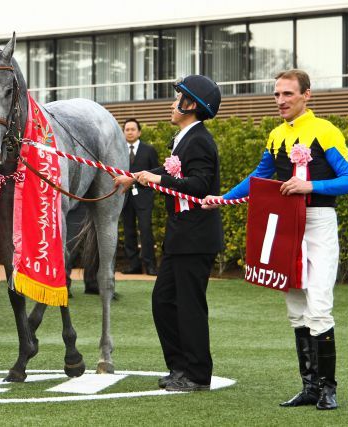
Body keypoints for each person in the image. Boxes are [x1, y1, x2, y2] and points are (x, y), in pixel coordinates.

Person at [206, 69, 348, 410]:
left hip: (319, 223)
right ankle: (308, 388)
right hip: (287, 227)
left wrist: (311, 185)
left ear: (307, 95)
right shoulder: (276, 135)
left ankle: (328, 389)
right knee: (296, 310)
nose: (281, 101)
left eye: (288, 94)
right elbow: (259, 178)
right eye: (277, 94)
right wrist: (224, 198)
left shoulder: (325, 131)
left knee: (319, 307)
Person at [117, 75, 223, 392]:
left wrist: (155, 179)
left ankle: (197, 374)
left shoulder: (200, 140)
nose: (172, 104)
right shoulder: (183, 138)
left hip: (196, 238)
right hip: (180, 237)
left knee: (189, 307)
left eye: (177, 98)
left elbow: (199, 185)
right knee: (163, 302)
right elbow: (170, 173)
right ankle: (179, 366)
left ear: (191, 105)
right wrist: (135, 178)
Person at [118, 118, 159, 275]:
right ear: (123, 133)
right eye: (127, 129)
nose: (129, 132)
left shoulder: (149, 150)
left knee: (146, 230)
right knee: (128, 231)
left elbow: (156, 172)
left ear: (139, 132)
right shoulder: (119, 151)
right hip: (125, 197)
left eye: (132, 129)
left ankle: (150, 265)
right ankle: (133, 265)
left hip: (144, 197)